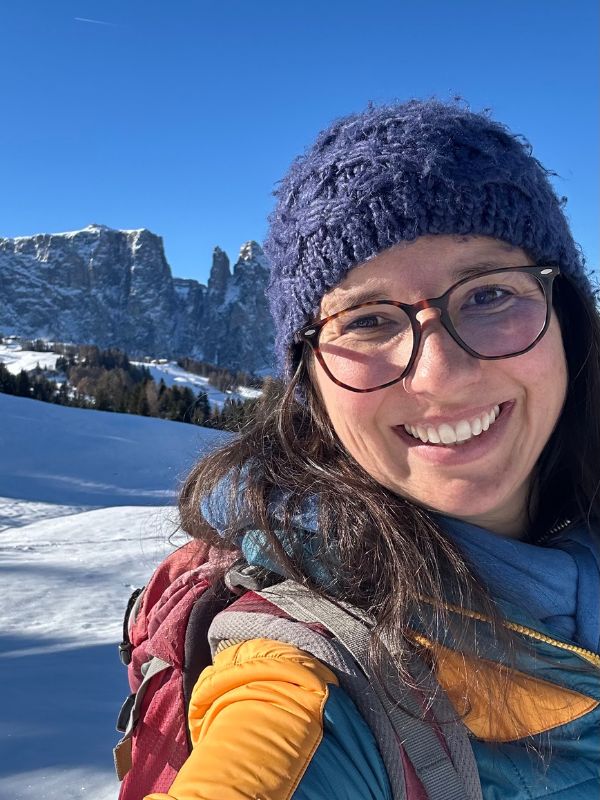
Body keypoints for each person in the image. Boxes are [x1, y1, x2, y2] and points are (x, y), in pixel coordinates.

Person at [147, 99, 600, 799]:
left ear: (565, 316)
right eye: (367, 320)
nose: (441, 376)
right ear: (309, 378)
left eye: (488, 294)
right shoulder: (300, 683)